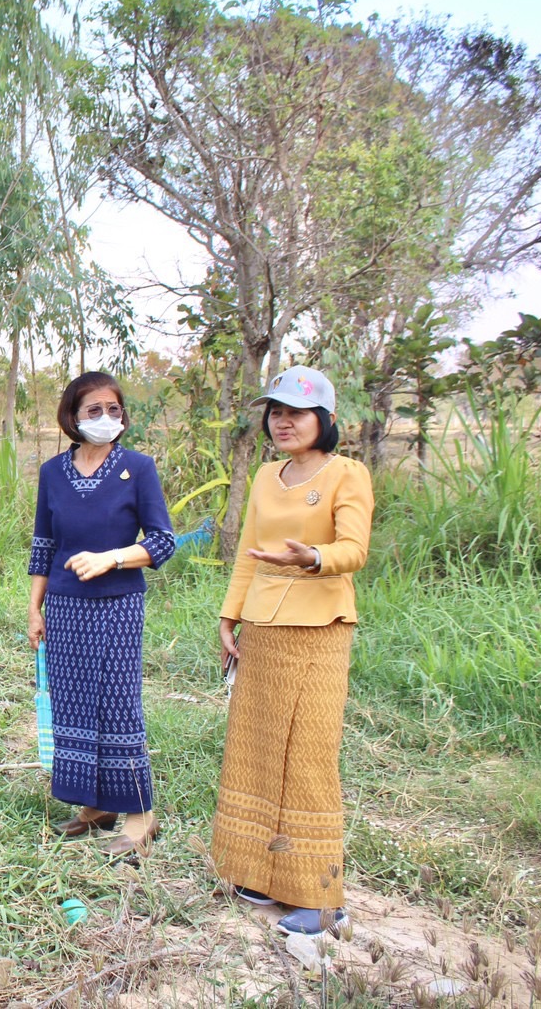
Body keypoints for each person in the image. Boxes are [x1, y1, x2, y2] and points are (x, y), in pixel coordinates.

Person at [209, 365, 374, 936]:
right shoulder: (263, 477)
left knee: (306, 753)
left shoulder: (346, 474)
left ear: (324, 420)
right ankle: (257, 871)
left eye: (296, 413)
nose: (283, 422)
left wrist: (310, 557)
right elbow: (248, 553)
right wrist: (229, 616)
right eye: (276, 412)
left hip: (319, 625)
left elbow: (354, 549)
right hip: (262, 625)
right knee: (256, 747)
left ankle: (320, 896)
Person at [28, 372, 177, 857]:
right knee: (72, 702)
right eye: (94, 410)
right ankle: (95, 806)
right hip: (65, 606)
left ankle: (139, 814)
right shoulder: (54, 473)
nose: (106, 418)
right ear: (72, 416)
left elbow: (162, 541)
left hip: (117, 604)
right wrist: (35, 607)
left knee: (116, 702)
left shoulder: (139, 468)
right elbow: (44, 544)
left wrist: (112, 557)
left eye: (114, 409)